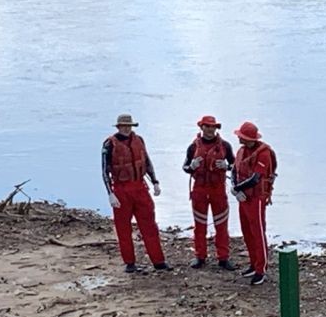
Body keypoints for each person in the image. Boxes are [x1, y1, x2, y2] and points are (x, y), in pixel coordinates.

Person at [101, 113, 168, 273]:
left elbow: (147, 162)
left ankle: (158, 261)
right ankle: (130, 263)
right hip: (121, 189)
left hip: (140, 187)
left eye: (129, 125)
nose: (126, 128)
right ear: (118, 127)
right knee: (123, 227)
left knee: (150, 225)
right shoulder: (109, 144)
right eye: (123, 126)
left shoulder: (139, 140)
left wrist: (155, 181)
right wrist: (110, 193)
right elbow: (104, 170)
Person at [184, 115, 236, 270]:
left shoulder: (225, 146)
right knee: (199, 224)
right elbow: (185, 167)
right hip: (199, 189)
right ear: (201, 127)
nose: (210, 129)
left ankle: (223, 258)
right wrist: (192, 166)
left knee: (221, 224)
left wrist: (226, 166)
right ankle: (200, 256)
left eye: (212, 126)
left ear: (216, 128)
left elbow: (235, 166)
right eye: (207, 126)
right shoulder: (193, 147)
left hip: (218, 189)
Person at [231, 121, 277, 285]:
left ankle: (261, 268)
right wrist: (235, 188)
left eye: (241, 137)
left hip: (256, 198)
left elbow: (256, 178)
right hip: (244, 196)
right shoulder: (241, 151)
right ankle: (253, 262)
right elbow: (235, 170)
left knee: (257, 231)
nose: (239, 139)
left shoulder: (263, 154)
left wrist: (237, 188)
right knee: (246, 230)